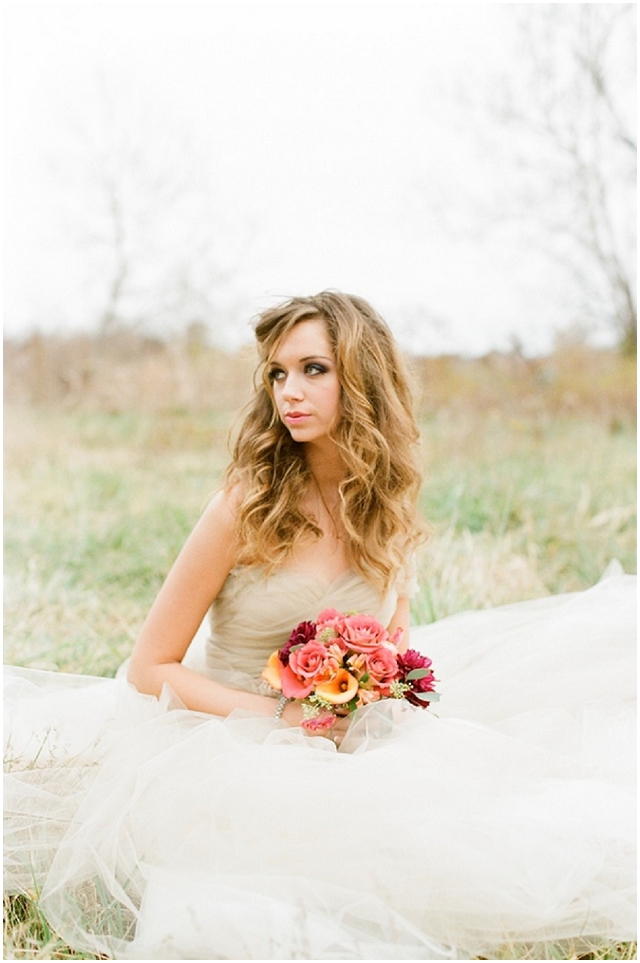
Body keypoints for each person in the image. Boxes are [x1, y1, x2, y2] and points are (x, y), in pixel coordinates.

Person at [3, 292, 636, 961]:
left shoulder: (384, 504)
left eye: (313, 370)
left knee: (491, 825)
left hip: (344, 737)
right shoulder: (243, 506)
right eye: (278, 373)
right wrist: (273, 719)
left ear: (361, 379)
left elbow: (394, 638)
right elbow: (149, 666)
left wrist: (371, 689)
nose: (289, 392)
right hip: (221, 737)